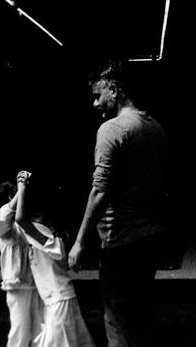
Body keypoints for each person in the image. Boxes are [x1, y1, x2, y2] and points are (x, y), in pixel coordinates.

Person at [68, 61, 168, 347]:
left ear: (114, 90)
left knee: (117, 322)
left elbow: (100, 192)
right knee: (140, 317)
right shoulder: (155, 127)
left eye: (97, 95)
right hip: (150, 239)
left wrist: (80, 242)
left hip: (120, 243)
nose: (94, 103)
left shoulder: (111, 129)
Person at [14, 170, 96, 347]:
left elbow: (20, 219)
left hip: (59, 300)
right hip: (56, 299)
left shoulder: (45, 238)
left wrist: (21, 186)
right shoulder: (44, 236)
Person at [0, 179, 43, 347]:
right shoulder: (2, 217)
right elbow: (3, 225)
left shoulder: (28, 220)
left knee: (38, 330)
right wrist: (21, 188)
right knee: (20, 331)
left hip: (36, 281)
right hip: (17, 283)